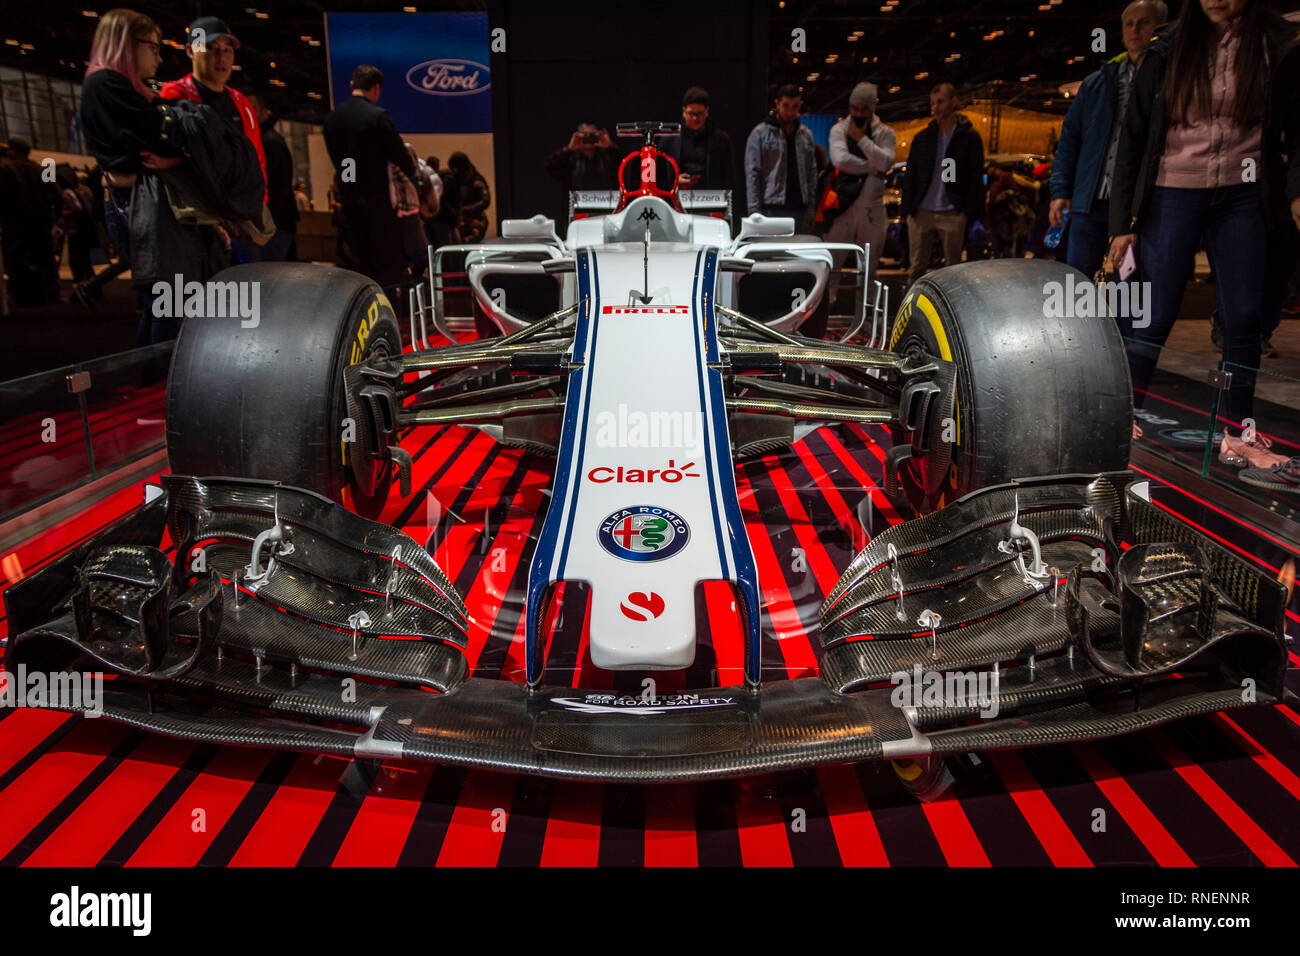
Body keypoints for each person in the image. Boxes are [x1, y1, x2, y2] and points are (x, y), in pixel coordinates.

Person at [1108, 0, 1300, 470]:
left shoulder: (1275, 43)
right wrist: (1121, 226)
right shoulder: (1168, 47)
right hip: (1173, 191)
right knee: (1154, 314)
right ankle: (1124, 416)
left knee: (1244, 316)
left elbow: (1296, 130)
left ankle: (1240, 434)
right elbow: (1132, 139)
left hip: (1244, 194)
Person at [78, 7, 221, 343]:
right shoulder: (107, 84)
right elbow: (161, 138)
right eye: (153, 48)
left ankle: (157, 384)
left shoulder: (119, 86)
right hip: (138, 202)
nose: (158, 58)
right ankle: (160, 384)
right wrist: (181, 154)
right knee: (169, 303)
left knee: (164, 303)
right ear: (127, 44)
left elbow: (167, 143)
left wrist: (175, 155)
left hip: (138, 200)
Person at [1049, 0, 1165, 278]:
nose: (1135, 29)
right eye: (1129, 23)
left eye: (1144, 22)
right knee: (1077, 280)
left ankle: (1126, 323)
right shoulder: (1096, 83)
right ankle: (1080, 324)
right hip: (1091, 200)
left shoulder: (1169, 79)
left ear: (1160, 26)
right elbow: (1070, 140)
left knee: (1133, 283)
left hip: (1139, 205)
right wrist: (1061, 191)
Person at [323, 64, 416, 296]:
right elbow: (402, 158)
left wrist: (351, 184)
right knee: (386, 268)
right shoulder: (377, 117)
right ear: (376, 88)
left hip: (349, 205)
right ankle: (386, 317)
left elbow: (344, 164)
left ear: (352, 85)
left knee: (358, 267)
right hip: (379, 206)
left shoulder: (334, 119)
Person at [900, 83, 986, 287]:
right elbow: (911, 174)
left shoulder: (969, 138)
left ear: (954, 102)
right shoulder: (923, 137)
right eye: (932, 103)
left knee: (953, 270)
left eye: (940, 102)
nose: (936, 107)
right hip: (922, 212)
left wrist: (969, 211)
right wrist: (908, 209)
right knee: (916, 268)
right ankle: (911, 312)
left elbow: (975, 177)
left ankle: (950, 314)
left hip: (952, 212)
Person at [824, 82, 897, 293]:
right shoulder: (839, 130)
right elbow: (840, 160)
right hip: (842, 207)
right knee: (833, 262)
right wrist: (872, 167)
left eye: (864, 109)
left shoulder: (885, 133)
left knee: (869, 266)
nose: (858, 113)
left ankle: (866, 314)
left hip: (872, 208)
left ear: (873, 108)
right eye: (854, 108)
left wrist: (861, 139)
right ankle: (828, 308)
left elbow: (886, 163)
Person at [744, 84, 817, 232]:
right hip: (770, 208)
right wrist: (753, 211)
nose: (790, 111)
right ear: (777, 104)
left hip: (799, 208)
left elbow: (812, 173)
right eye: (786, 105)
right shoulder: (760, 134)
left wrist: (811, 208)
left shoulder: (805, 135)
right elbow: (752, 173)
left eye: (795, 106)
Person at [0, 138, 61, 307]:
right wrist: (56, 214)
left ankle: (21, 295)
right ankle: (49, 292)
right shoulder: (42, 168)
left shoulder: (5, 167)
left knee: (15, 259)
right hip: (41, 220)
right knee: (45, 257)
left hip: (14, 221)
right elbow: (57, 194)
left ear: (12, 151)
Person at [242, 91, 297, 262]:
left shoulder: (270, 142)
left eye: (252, 109)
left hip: (273, 228)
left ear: (265, 112)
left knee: (268, 279)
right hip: (268, 226)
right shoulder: (259, 141)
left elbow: (277, 190)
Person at [677, 87, 734, 190]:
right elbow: (660, 177)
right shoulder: (671, 140)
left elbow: (729, 177)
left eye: (699, 114)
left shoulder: (721, 140)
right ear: (684, 111)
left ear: (707, 111)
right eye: (691, 113)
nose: (695, 118)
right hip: (678, 199)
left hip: (712, 200)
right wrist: (674, 181)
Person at [545, 122, 619, 191]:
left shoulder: (607, 157)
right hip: (576, 202)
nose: (588, 138)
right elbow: (550, 166)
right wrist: (569, 149)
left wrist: (610, 147)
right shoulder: (570, 159)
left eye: (592, 134)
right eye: (585, 134)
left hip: (607, 201)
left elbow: (624, 167)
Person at [448, 152, 490, 242]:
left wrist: (468, 209)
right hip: (458, 220)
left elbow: (485, 200)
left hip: (475, 219)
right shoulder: (454, 180)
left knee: (472, 237)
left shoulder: (477, 181)